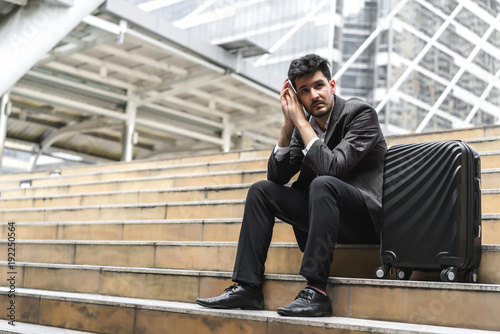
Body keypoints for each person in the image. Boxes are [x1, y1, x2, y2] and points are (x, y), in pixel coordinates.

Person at [196, 53, 387, 317]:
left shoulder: (360, 114)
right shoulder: (302, 127)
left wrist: (300, 122)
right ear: (297, 98)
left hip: (363, 218)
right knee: (261, 191)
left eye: (319, 86)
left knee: (323, 183)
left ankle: (316, 291)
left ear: (332, 86)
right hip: (324, 216)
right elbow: (277, 177)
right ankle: (248, 286)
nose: (314, 95)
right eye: (304, 91)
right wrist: (288, 126)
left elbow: (333, 167)